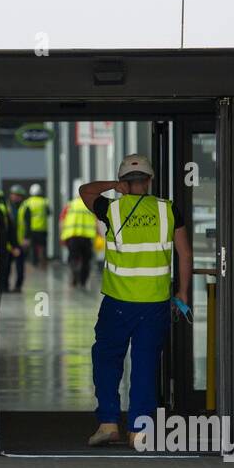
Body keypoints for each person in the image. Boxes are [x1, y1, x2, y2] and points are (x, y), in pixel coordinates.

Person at [79, 154, 193, 449]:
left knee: (107, 360)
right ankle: (140, 430)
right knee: (145, 365)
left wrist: (114, 186)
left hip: (118, 301)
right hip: (154, 303)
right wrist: (183, 292)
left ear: (124, 183)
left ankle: (107, 424)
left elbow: (85, 191)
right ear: (150, 180)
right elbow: (185, 254)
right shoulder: (168, 210)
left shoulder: (111, 209)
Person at [59, 180, 98, 289]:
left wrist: (62, 235)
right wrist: (99, 234)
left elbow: (62, 221)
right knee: (86, 260)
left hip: (72, 236)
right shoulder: (90, 205)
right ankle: (83, 281)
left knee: (73, 258)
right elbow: (95, 221)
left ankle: (74, 273)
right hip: (86, 237)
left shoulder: (70, 205)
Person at [19, 183, 50, 267]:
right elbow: (49, 212)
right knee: (42, 246)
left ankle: (34, 262)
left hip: (32, 229)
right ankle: (42, 261)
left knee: (33, 246)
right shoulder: (44, 202)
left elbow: (24, 216)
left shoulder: (27, 202)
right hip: (42, 229)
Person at [6, 184, 27, 291]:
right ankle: (5, 286)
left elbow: (28, 224)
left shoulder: (24, 207)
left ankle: (18, 286)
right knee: (6, 266)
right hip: (9, 242)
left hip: (20, 241)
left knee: (20, 267)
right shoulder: (7, 207)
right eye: (15, 195)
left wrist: (26, 239)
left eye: (19, 195)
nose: (16, 197)